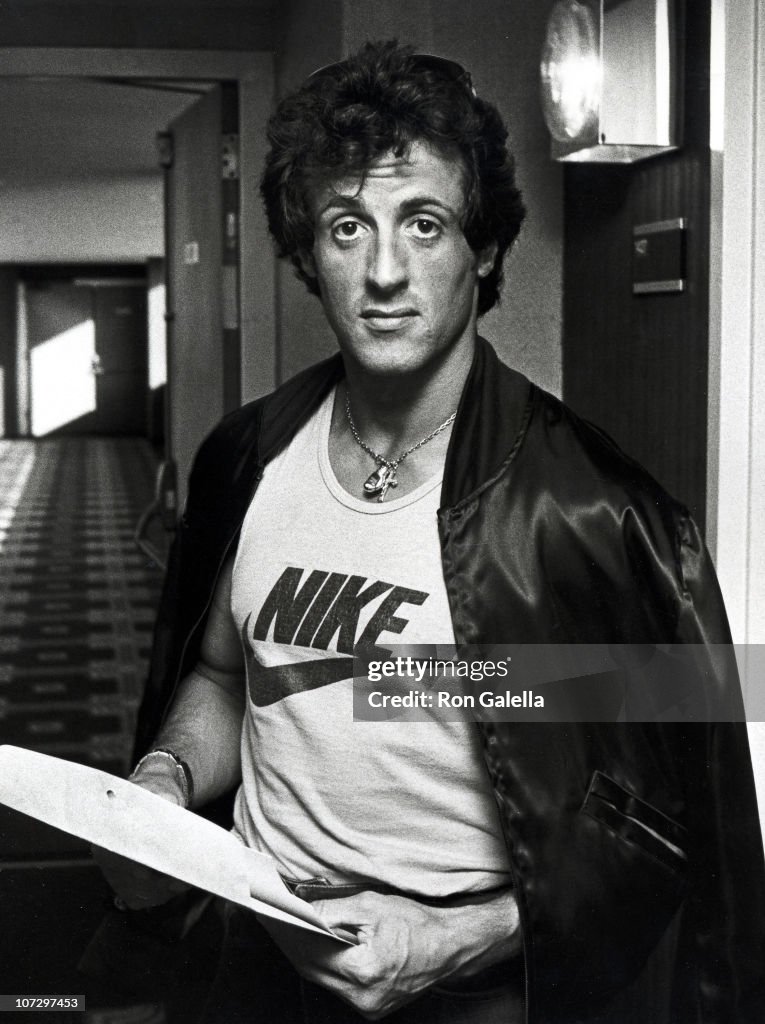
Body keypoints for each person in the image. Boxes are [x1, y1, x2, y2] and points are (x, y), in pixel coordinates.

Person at [96, 40, 765, 1024]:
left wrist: (467, 933)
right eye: (346, 226)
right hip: (253, 968)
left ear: (483, 246)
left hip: (471, 992)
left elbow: (673, 830)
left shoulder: (598, 516)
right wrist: (166, 773)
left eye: (423, 222)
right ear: (307, 253)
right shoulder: (247, 458)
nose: (384, 272)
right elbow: (225, 677)